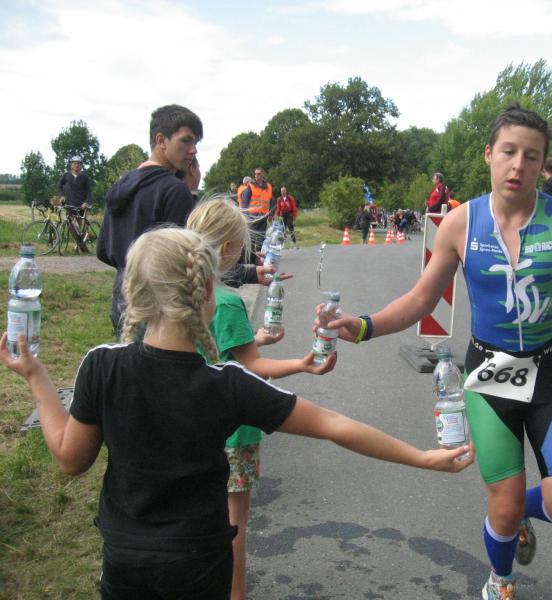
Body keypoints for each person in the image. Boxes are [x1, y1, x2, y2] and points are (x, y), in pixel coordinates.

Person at [325, 104, 552, 600]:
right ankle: (500, 580)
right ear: (489, 155)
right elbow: (421, 300)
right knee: (502, 502)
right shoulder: (460, 223)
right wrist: (365, 327)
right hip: (489, 375)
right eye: (509, 152)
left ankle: (522, 511)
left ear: (542, 164)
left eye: (531, 156)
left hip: (547, 375)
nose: (518, 165)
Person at [1, 227, 473, 600]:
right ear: (209, 291)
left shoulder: (102, 366)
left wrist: (37, 377)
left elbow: (70, 459)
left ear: (135, 294)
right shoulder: (228, 384)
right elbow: (333, 424)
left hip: (126, 559)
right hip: (201, 560)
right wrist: (422, 457)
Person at [187, 198, 335, 600]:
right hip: (234, 435)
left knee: (198, 516)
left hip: (193, 428)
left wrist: (254, 340)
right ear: (228, 249)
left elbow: (219, 353)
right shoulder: (228, 301)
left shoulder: (183, 296)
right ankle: (236, 594)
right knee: (235, 521)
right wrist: (302, 365)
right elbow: (250, 367)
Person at [96, 104, 202, 334]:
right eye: (186, 141)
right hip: (158, 300)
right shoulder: (174, 190)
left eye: (196, 143)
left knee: (126, 353)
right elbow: (183, 260)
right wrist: (191, 192)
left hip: (121, 295)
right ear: (161, 140)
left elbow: (102, 250)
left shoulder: (122, 184)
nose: (193, 150)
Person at [240, 168, 273, 253]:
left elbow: (272, 201)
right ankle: (250, 254)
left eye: (259, 174)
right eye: (255, 174)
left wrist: (271, 214)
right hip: (252, 216)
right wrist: (245, 214)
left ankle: (258, 255)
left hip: (264, 215)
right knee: (252, 236)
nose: (256, 175)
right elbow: (245, 202)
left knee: (261, 236)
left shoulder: (268, 186)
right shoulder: (250, 186)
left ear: (263, 175)